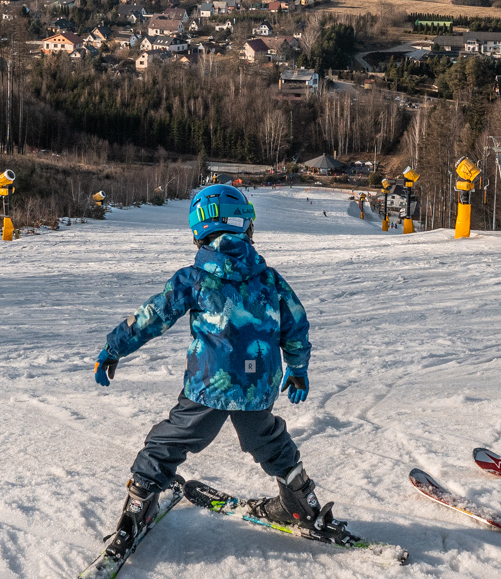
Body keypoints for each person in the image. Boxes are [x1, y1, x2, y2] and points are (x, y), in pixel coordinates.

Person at [93, 183, 328, 554]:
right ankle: (302, 503)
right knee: (266, 439)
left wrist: (113, 347)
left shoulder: (194, 278)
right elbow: (295, 324)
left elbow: (152, 317)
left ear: (199, 231)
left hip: (210, 385)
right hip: (258, 386)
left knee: (168, 442)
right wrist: (297, 367)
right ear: (245, 227)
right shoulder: (270, 279)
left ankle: (138, 506)